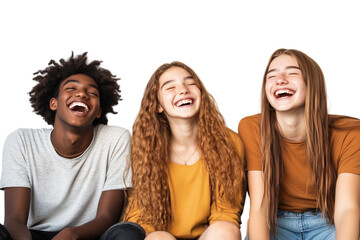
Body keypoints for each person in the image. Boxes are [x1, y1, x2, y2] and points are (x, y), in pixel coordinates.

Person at [101, 61, 246, 240]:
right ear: (158, 105)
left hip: (208, 236)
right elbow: (142, 219)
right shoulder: (145, 149)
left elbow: (226, 212)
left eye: (190, 83)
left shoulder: (227, 142)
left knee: (226, 229)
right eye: (170, 87)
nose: (183, 89)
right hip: (162, 237)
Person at [0, 52, 131, 240]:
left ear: (98, 111)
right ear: (53, 103)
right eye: (71, 89)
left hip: (89, 235)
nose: (82, 94)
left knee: (125, 233)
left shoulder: (116, 139)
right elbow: (14, 220)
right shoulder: (21, 141)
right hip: (33, 236)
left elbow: (107, 217)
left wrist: (72, 234)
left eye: (92, 92)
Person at [238, 48, 360, 239]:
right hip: (276, 224)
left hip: (328, 222)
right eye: (272, 76)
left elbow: (347, 209)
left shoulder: (351, 132)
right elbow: (260, 209)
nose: (280, 79)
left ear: (313, 84)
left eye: (292, 72)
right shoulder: (252, 127)